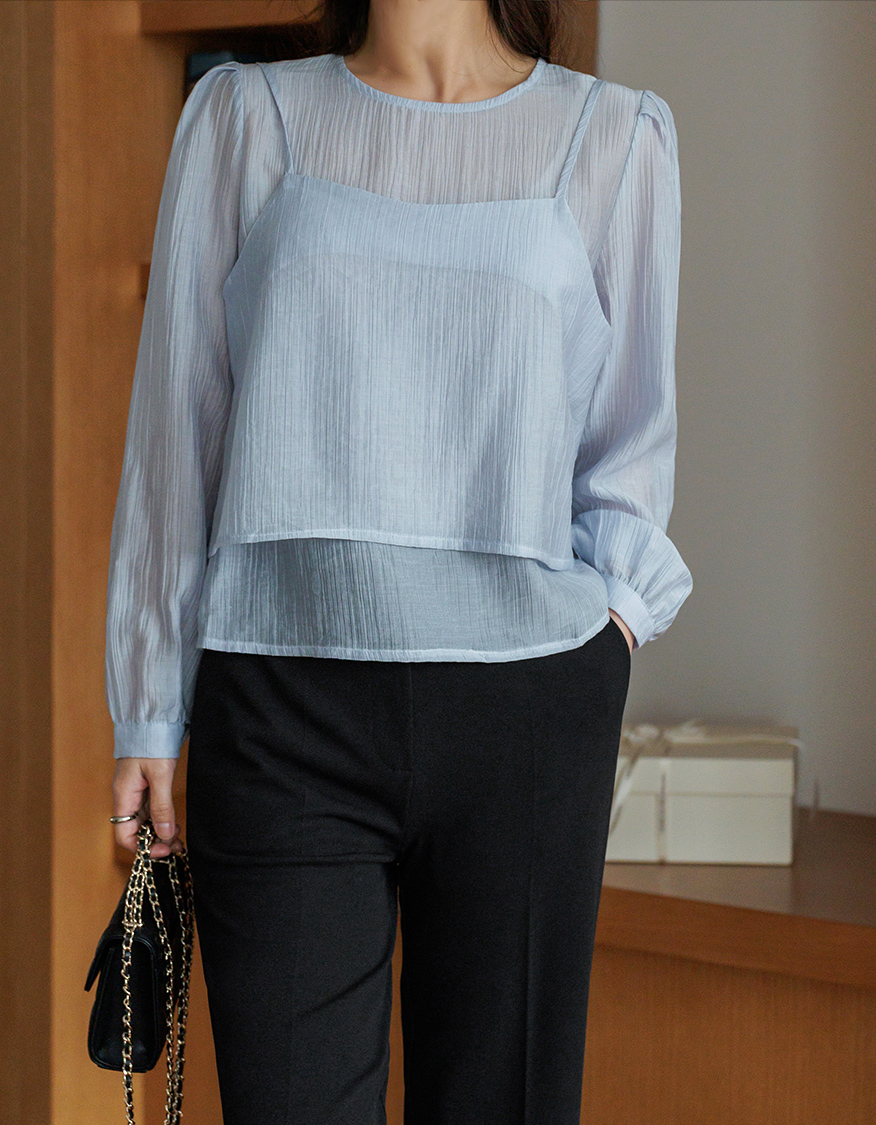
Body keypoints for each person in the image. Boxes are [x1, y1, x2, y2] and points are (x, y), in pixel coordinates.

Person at [106, 0, 692, 1121]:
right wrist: (147, 703)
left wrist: (604, 635)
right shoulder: (243, 117)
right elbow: (177, 428)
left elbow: (630, 446)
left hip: (528, 712)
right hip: (281, 709)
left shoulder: (615, 136)